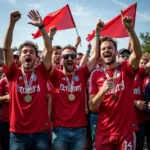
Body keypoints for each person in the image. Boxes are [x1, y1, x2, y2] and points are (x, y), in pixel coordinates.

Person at [88, 11, 142, 150]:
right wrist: (102, 91)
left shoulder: (126, 69)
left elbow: (137, 54)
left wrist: (130, 29)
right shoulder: (95, 75)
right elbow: (92, 106)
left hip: (126, 133)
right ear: (100, 53)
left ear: (116, 52)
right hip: (104, 132)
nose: (107, 50)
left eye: (110, 48)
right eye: (103, 48)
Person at [49, 20, 104, 150]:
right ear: (61, 59)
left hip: (80, 130)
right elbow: (46, 59)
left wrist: (97, 33)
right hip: (59, 131)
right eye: (66, 56)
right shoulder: (55, 75)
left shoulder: (82, 73)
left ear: (75, 59)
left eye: (72, 56)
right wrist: (50, 37)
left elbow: (95, 56)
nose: (69, 59)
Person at [2, 10, 53, 150]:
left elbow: (49, 50)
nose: (28, 54)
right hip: (18, 134)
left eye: (31, 52)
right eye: (24, 52)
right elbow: (6, 49)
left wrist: (42, 27)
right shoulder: (13, 73)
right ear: (19, 57)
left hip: (40, 132)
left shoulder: (42, 72)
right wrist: (12, 23)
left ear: (36, 57)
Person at [133, 54, 150, 150]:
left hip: (141, 119)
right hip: (128, 121)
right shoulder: (124, 75)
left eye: (145, 63)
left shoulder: (140, 74)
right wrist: (134, 102)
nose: (143, 65)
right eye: (141, 63)